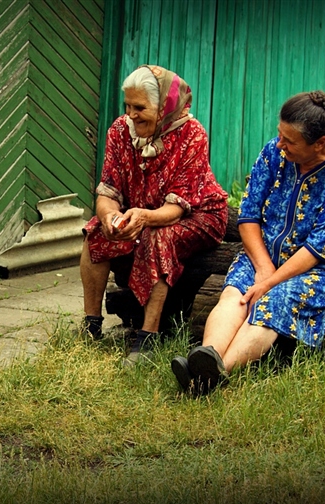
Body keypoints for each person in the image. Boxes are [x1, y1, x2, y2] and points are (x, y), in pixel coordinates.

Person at [171, 91, 325, 394]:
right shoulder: (274, 153)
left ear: (319, 142)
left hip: (318, 268)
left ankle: (214, 376)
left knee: (274, 300)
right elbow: (248, 216)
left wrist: (271, 282)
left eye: (290, 141)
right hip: (263, 254)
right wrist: (263, 268)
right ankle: (205, 357)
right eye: (280, 134)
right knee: (235, 294)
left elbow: (319, 247)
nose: (280, 144)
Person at [79, 65, 228, 365]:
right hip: (144, 211)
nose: (131, 115)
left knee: (159, 236)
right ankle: (91, 325)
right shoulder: (121, 131)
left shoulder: (192, 134)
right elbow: (108, 191)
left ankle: (148, 338)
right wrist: (109, 217)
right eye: (128, 106)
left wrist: (143, 218)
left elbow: (176, 209)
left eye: (140, 107)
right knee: (96, 230)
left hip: (198, 214)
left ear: (165, 107)